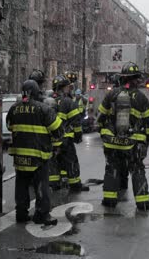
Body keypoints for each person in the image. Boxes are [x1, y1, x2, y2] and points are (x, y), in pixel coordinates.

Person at [98, 62, 149, 211]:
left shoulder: (112, 94)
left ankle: (109, 200)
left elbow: (100, 118)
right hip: (132, 143)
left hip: (112, 142)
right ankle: (143, 203)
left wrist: (105, 134)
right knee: (137, 170)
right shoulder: (141, 98)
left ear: (122, 78)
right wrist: (146, 140)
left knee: (112, 169)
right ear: (136, 79)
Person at [6, 80, 64, 225]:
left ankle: (21, 213)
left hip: (20, 156)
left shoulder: (13, 109)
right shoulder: (43, 109)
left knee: (21, 185)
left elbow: (9, 126)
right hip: (38, 155)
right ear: (37, 92)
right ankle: (42, 215)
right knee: (41, 185)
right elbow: (57, 129)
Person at [49, 75, 88, 192]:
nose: (69, 89)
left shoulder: (49, 101)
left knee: (55, 162)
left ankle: (54, 184)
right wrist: (78, 135)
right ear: (63, 88)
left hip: (51, 140)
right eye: (67, 87)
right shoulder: (67, 101)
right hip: (65, 139)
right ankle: (75, 185)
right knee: (71, 162)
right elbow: (76, 121)